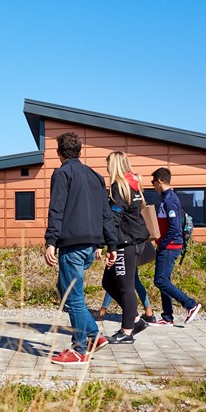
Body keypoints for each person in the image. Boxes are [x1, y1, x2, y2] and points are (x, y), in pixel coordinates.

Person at [44, 132, 118, 365]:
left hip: (73, 245)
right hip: (90, 246)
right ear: (80, 151)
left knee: (73, 297)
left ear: (59, 153)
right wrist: (110, 244)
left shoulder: (62, 173)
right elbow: (106, 214)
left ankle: (78, 350)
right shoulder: (95, 176)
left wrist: (51, 241)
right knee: (64, 288)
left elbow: (57, 209)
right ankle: (95, 336)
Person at [100, 151, 151, 344]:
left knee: (125, 286)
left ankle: (126, 331)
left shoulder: (119, 187)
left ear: (114, 166)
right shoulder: (134, 185)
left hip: (125, 243)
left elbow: (114, 219)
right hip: (134, 241)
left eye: (108, 165)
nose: (106, 168)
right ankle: (135, 320)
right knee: (108, 282)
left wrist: (110, 246)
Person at [150, 167, 202, 326]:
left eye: (153, 182)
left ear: (160, 181)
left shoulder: (170, 200)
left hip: (170, 247)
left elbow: (174, 227)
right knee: (164, 279)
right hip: (166, 245)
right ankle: (167, 317)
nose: (152, 185)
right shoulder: (166, 198)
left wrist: (163, 245)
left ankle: (190, 304)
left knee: (160, 280)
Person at [92, 270, 156, 323]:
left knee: (114, 279)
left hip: (123, 255)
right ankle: (149, 313)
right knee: (135, 279)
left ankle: (102, 312)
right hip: (134, 255)